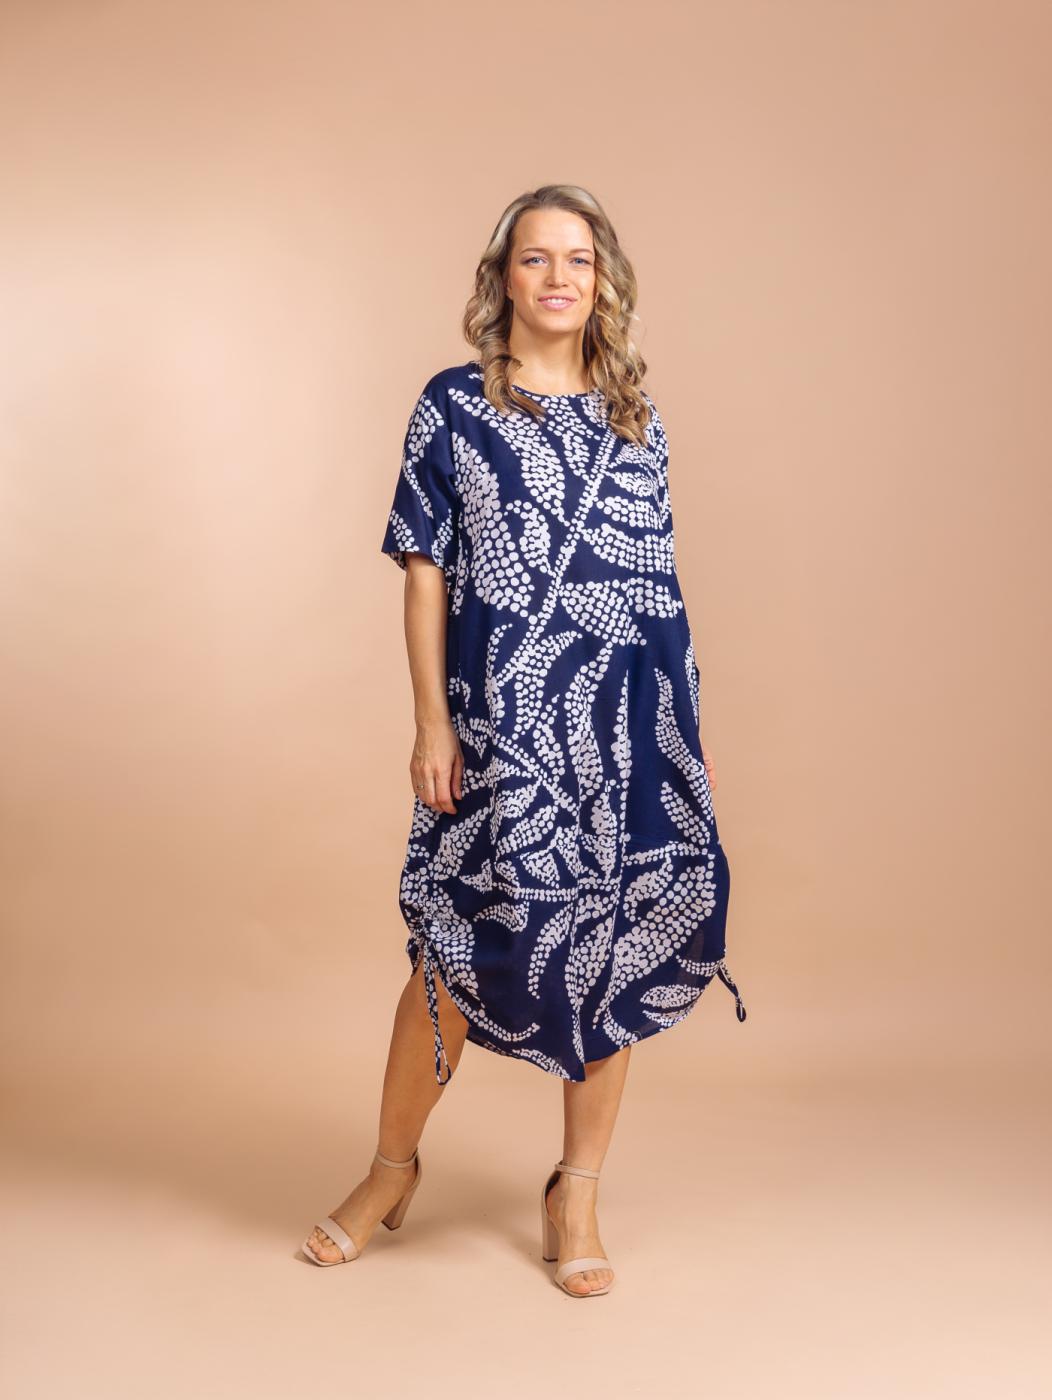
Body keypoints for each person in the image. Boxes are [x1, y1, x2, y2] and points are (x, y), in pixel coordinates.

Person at [300, 183, 747, 1296]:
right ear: (503, 277)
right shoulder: (453, 407)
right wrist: (431, 723)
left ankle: (576, 1191)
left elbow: (655, 589)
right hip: (499, 731)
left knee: (614, 947)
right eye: (536, 258)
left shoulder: (636, 417)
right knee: (450, 951)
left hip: (623, 729)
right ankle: (389, 1170)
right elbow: (424, 572)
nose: (557, 277)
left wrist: (676, 737)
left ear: (603, 284)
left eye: (578, 260)